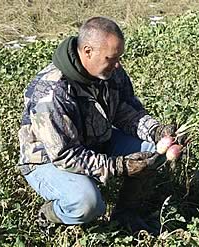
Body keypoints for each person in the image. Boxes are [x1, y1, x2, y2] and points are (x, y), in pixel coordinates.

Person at [17, 16, 178, 235]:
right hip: (47, 160)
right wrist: (119, 166)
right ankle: (49, 214)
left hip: (96, 140)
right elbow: (65, 155)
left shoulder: (112, 72)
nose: (118, 64)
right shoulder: (52, 91)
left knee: (152, 152)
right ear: (88, 51)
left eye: (119, 57)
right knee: (87, 203)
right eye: (112, 57)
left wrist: (156, 131)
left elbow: (126, 111)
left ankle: (125, 216)